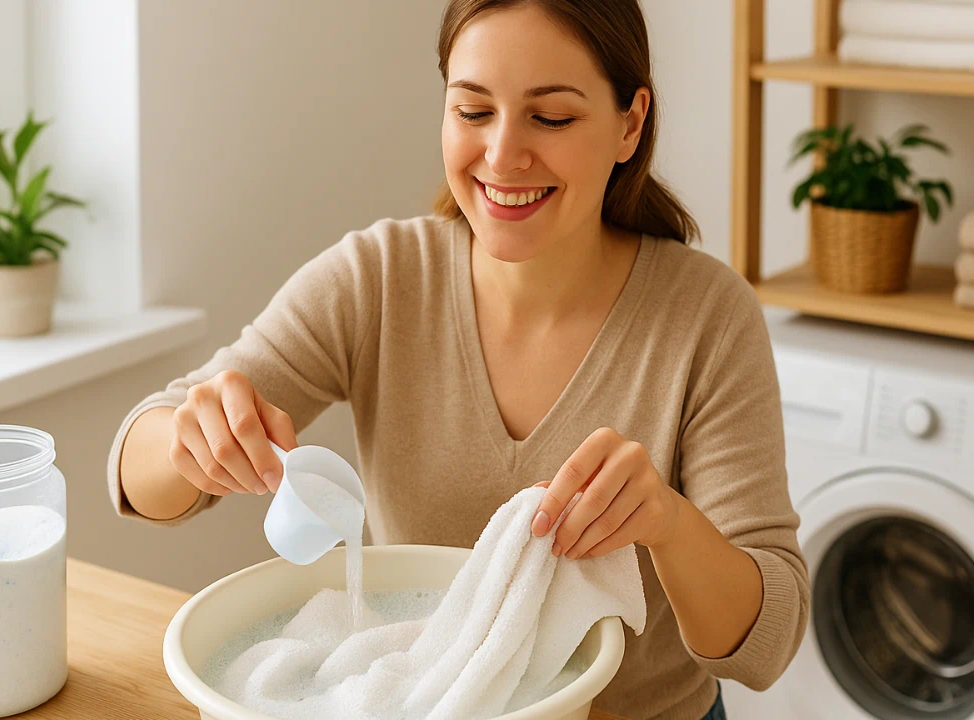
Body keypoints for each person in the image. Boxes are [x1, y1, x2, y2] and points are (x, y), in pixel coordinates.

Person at [107, 1, 808, 717]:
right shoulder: (378, 278)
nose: (503, 154)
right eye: (473, 112)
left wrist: (668, 523)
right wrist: (190, 439)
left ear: (630, 123)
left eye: (552, 118)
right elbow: (140, 470)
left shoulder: (707, 318)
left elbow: (767, 644)